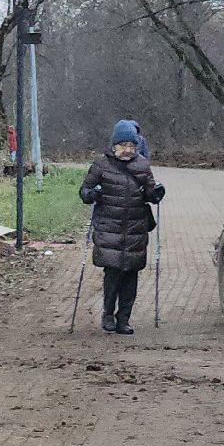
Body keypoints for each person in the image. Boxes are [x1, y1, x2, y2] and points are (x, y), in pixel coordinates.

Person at [80, 120, 164, 335]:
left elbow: (149, 193)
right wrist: (93, 194)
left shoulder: (143, 165)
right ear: (114, 146)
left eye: (132, 146)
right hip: (110, 228)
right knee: (113, 274)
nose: (127, 150)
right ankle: (108, 314)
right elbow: (84, 192)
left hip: (135, 229)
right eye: (123, 145)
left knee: (131, 276)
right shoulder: (101, 165)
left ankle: (124, 319)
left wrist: (156, 195)